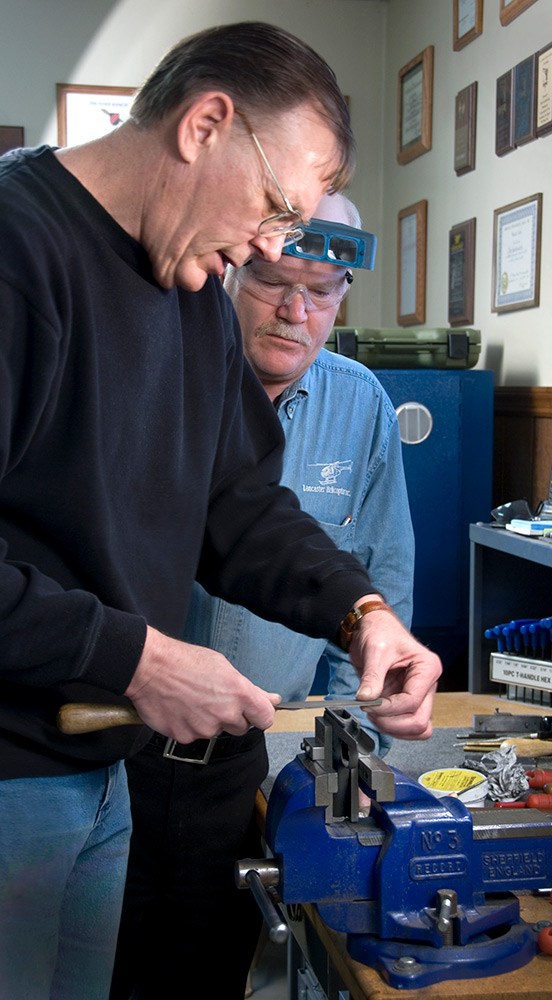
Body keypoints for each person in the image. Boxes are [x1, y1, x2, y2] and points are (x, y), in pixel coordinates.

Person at [0, 20, 442, 1000]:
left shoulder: (192, 291)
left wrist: (362, 613)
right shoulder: (19, 251)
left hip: (97, 776)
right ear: (206, 123)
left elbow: (240, 505)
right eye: (280, 207)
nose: (274, 251)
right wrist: (142, 660)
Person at [112, 193, 415, 999]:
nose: (295, 310)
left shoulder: (360, 406)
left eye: (322, 291)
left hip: (248, 765)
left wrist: (346, 773)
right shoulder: (149, 382)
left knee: (219, 973)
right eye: (274, 281)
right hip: (114, 754)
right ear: (228, 272)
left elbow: (377, 582)